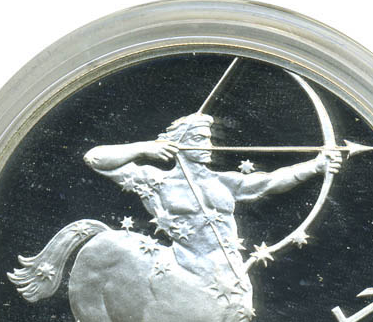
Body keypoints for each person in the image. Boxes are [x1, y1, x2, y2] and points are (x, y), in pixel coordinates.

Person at [83, 112, 342, 279]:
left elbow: (269, 182)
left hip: (228, 272)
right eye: (199, 139)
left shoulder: (223, 182)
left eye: (208, 139)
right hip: (181, 273)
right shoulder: (155, 181)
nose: (208, 145)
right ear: (177, 144)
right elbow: (94, 159)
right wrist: (143, 148)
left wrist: (316, 166)